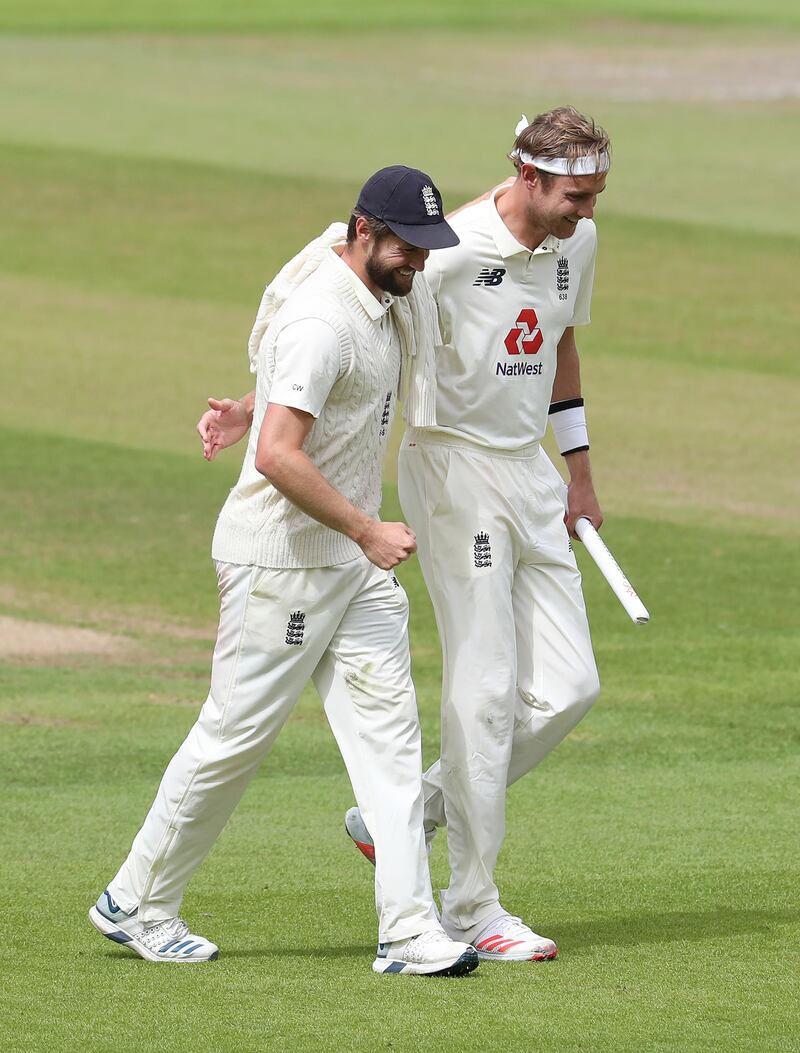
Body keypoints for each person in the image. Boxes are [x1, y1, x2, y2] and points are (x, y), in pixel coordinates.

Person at [198, 106, 610, 964]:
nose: (588, 212)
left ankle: (411, 812)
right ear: (528, 178)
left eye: (597, 195)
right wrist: (251, 405)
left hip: (531, 470)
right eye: (575, 196)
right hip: (455, 471)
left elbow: (562, 346)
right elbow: (342, 296)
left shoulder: (579, 244)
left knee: (570, 686)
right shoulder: (447, 246)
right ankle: (470, 904)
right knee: (486, 685)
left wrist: (578, 470)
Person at [89, 166, 480, 978]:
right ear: (364, 231)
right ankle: (136, 900)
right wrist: (368, 527)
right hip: (282, 564)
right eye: (408, 246)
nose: (420, 262)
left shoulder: (386, 290)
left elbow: (300, 400)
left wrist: (249, 399)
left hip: (349, 564)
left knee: (390, 745)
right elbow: (276, 455)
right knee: (235, 735)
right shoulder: (319, 316)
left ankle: (408, 929)